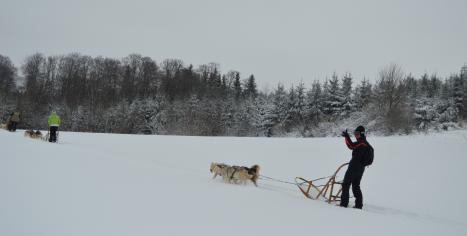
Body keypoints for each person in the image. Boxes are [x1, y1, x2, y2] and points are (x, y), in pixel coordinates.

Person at [340, 125, 372, 209]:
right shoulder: (364, 143)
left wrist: (346, 137)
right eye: (355, 133)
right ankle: (358, 205)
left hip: (354, 167)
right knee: (356, 185)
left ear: (362, 134)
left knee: (346, 184)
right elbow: (353, 146)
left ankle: (343, 204)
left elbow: (351, 146)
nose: (356, 135)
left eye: (357, 134)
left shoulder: (362, 142)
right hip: (361, 168)